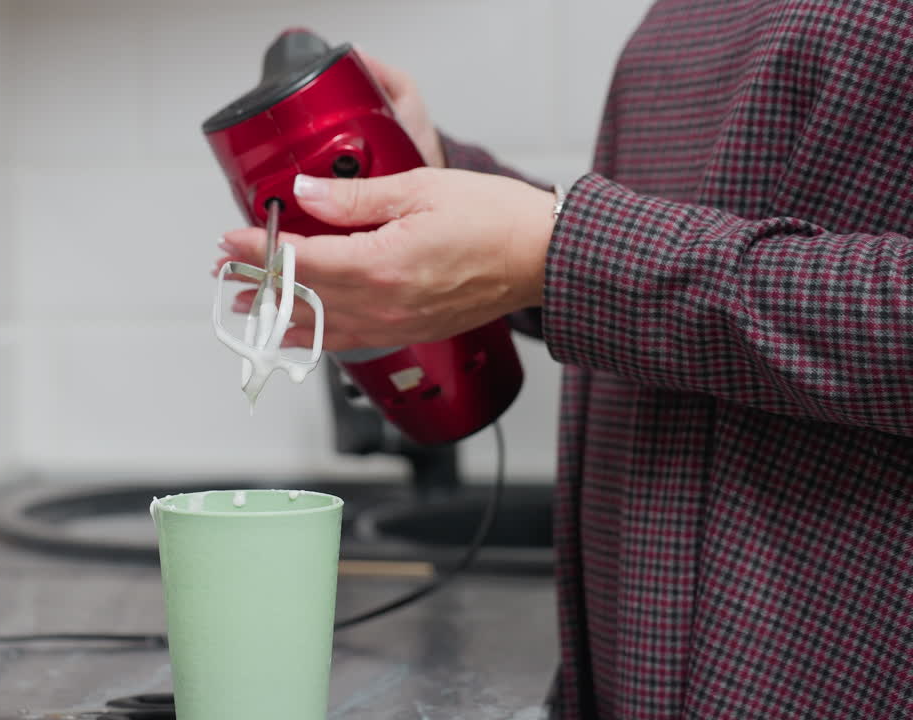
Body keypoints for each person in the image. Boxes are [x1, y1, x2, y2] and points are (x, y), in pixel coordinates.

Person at [214, 2, 913, 718]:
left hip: (818, 656)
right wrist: (453, 192)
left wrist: (560, 255)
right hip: (630, 643)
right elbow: (695, 233)